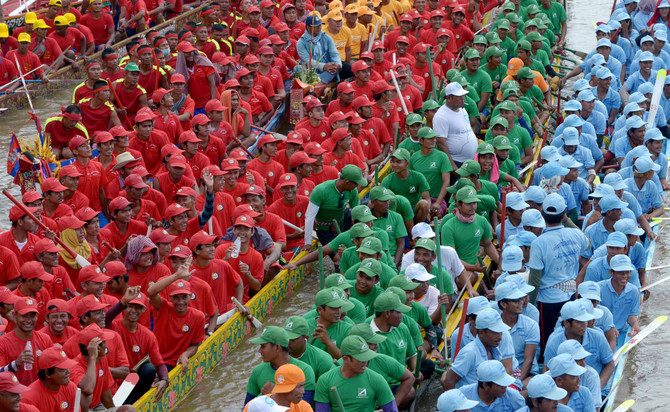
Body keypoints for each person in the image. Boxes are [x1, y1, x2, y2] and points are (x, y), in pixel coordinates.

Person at [527, 193, 589, 355]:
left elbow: (534, 279)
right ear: (563, 214)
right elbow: (588, 243)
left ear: (542, 214)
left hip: (547, 302)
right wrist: (567, 220)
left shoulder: (538, 243)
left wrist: (530, 303)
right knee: (571, 338)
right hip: (570, 296)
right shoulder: (575, 234)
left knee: (549, 344)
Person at [146, 258, 206, 370]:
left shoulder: (198, 317)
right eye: (176, 297)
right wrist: (176, 276)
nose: (180, 302)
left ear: (190, 296)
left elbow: (195, 345)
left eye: (184, 297)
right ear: (170, 298)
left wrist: (185, 354)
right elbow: (151, 292)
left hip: (178, 362)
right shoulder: (163, 307)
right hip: (158, 361)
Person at [314, 335, 398, 412]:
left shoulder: (377, 380)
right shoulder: (325, 380)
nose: (365, 361)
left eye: (366, 357)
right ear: (346, 359)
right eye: (360, 358)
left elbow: (392, 410)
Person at [441, 308, 510, 390]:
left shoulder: (494, 350)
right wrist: (458, 401)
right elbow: (448, 381)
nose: (500, 337)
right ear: (481, 333)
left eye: (500, 332)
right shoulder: (470, 353)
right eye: (495, 333)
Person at [245, 326, 316, 405]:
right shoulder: (257, 371)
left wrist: (274, 396)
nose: (259, 351)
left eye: (263, 346)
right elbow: (247, 407)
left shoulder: (304, 370)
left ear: (277, 347)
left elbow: (304, 407)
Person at [304, 165, 365, 247]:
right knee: (337, 258)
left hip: (342, 223)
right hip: (325, 229)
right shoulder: (321, 190)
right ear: (347, 182)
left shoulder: (352, 191)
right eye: (356, 184)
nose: (357, 186)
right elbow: (309, 216)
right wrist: (307, 243)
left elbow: (357, 213)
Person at [433, 82, 478, 171]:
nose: (463, 98)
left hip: (470, 161)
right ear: (449, 98)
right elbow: (441, 143)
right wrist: (452, 166)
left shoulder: (462, 110)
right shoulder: (441, 116)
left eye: (463, 95)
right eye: (459, 96)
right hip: (457, 162)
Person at [22, 346, 78, 411]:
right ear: (48, 373)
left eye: (67, 367)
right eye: (62, 369)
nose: (68, 371)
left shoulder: (71, 388)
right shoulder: (29, 399)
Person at [458, 360, 525, 412]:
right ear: (485, 385)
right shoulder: (462, 395)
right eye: (500, 384)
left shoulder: (514, 397)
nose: (505, 386)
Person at [296, 15, 342, 84]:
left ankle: (317, 83)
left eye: (319, 25)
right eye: (315, 26)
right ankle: (319, 82)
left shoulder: (327, 37)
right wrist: (323, 66)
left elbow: (334, 54)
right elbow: (308, 61)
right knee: (297, 68)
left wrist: (337, 64)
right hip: (310, 71)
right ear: (308, 27)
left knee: (333, 70)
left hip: (327, 70)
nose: (319, 28)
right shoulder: (301, 42)